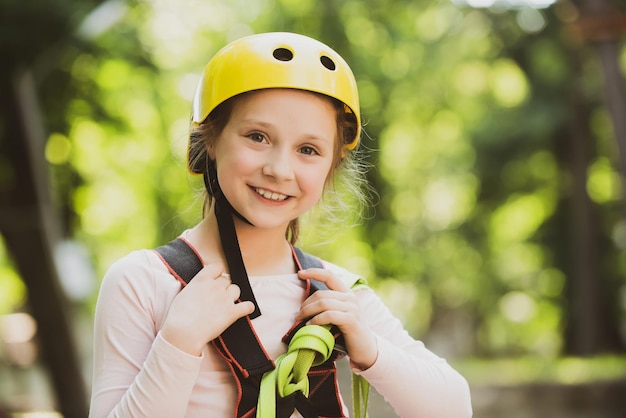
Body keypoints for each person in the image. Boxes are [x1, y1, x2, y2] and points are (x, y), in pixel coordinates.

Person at [88, 32, 473, 418]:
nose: (279, 170)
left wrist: (368, 345)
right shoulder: (144, 282)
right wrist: (178, 341)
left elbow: (454, 407)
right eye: (257, 137)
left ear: (330, 167)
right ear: (209, 140)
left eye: (308, 150)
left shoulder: (334, 293)